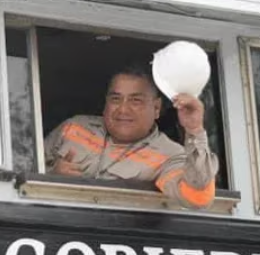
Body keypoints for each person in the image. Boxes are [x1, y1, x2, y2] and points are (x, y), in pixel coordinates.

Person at [43, 65, 219, 210]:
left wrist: (194, 130)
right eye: (115, 99)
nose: (123, 109)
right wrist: (51, 176)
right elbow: (21, 170)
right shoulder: (75, 126)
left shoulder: (170, 154)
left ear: (156, 108)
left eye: (136, 101)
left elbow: (197, 198)